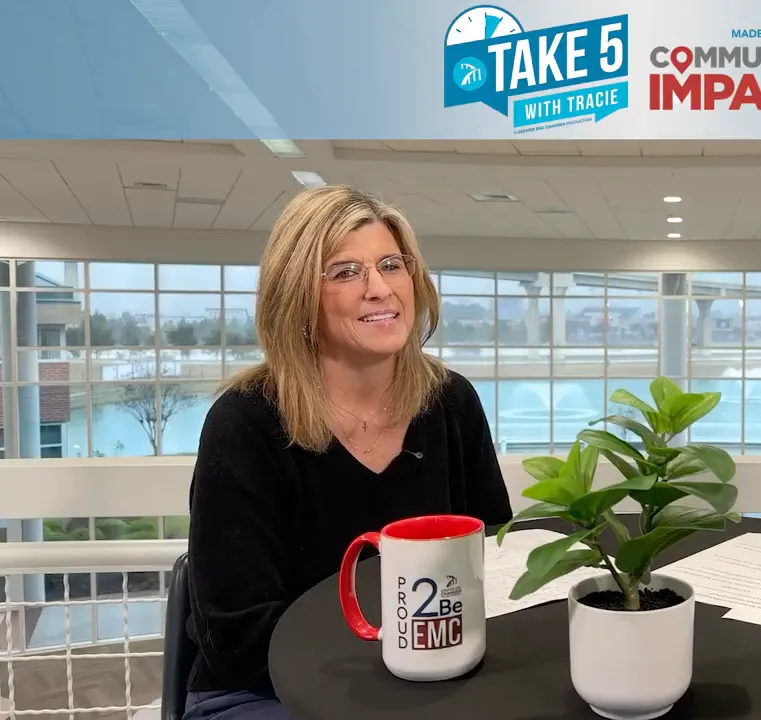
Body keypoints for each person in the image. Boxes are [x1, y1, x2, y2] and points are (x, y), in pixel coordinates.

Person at [182, 186, 513, 720]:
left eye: (391, 265)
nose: (379, 289)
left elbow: (496, 565)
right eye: (345, 272)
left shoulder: (452, 403)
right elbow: (237, 636)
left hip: (432, 680)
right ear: (297, 298)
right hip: (268, 691)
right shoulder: (244, 423)